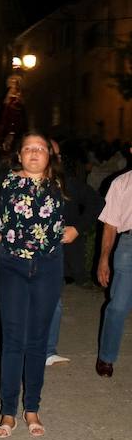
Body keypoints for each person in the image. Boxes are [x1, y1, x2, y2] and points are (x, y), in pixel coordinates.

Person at [0, 132, 71, 438]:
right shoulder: (4, 180)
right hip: (12, 265)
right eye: (28, 149)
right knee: (13, 340)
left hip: (48, 267)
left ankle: (33, 408)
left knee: (38, 340)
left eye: (40, 149)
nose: (35, 154)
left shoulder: (60, 184)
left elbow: (94, 203)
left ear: (49, 155)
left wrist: (76, 229)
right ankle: (8, 412)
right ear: (20, 155)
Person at [44, 139, 104, 365]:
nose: (53, 158)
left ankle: (47, 351)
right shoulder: (18, 181)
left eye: (57, 154)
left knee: (54, 302)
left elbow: (97, 202)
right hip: (22, 253)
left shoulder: (66, 184)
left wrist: (77, 229)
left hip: (54, 254)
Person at [95, 148, 132, 378]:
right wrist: (103, 259)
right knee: (118, 306)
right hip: (129, 245)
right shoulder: (122, 183)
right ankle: (106, 357)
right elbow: (110, 225)